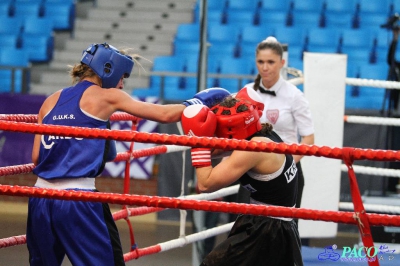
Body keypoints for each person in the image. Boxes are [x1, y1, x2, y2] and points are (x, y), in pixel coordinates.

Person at [28, 42, 230, 266]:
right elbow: (163, 114)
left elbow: (37, 157)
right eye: (122, 77)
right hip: (78, 200)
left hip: (39, 198)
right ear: (108, 69)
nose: (122, 84)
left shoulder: (50, 101)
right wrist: (197, 102)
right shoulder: (108, 96)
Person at [181, 88, 303, 266]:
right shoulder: (262, 132)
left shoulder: (252, 149)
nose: (219, 135)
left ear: (233, 129)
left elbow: (206, 183)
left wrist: (197, 141)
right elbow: (216, 151)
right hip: (273, 224)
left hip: (268, 229)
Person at [244, 36, 315, 215]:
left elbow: (309, 138)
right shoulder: (247, 92)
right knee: (246, 227)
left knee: (286, 231)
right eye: (260, 61)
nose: (265, 67)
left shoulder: (294, 95)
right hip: (251, 167)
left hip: (288, 171)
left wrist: (287, 164)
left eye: (270, 62)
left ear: (282, 62)